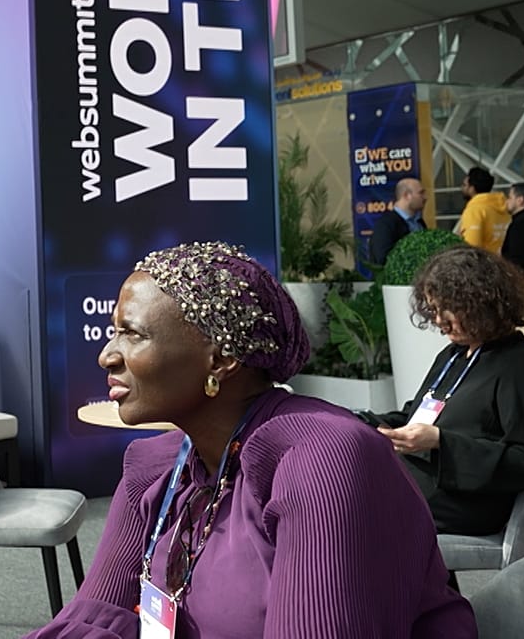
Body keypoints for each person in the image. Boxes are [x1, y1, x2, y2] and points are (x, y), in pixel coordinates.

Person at [29, 241, 473, 638]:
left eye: (133, 334)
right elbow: (93, 618)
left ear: (220, 360)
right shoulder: (155, 468)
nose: (106, 355)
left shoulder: (325, 461)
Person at [364, 246, 524, 536]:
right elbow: (417, 413)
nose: (438, 321)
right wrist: (371, 423)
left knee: (353, 501)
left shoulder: (521, 367)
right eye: (434, 310)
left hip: (469, 501)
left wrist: (442, 442)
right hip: (430, 485)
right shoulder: (454, 355)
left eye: (448, 310)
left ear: (480, 304)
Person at [368, 176, 427, 269]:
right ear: (407, 195)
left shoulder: (419, 222)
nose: (425, 197)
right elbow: (383, 259)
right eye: (421, 193)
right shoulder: (385, 225)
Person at [456, 166, 511, 253]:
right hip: (504, 263)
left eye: (464, 185)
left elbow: (472, 247)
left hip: (486, 264)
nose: (462, 188)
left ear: (472, 188)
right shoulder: (504, 208)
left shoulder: (474, 210)